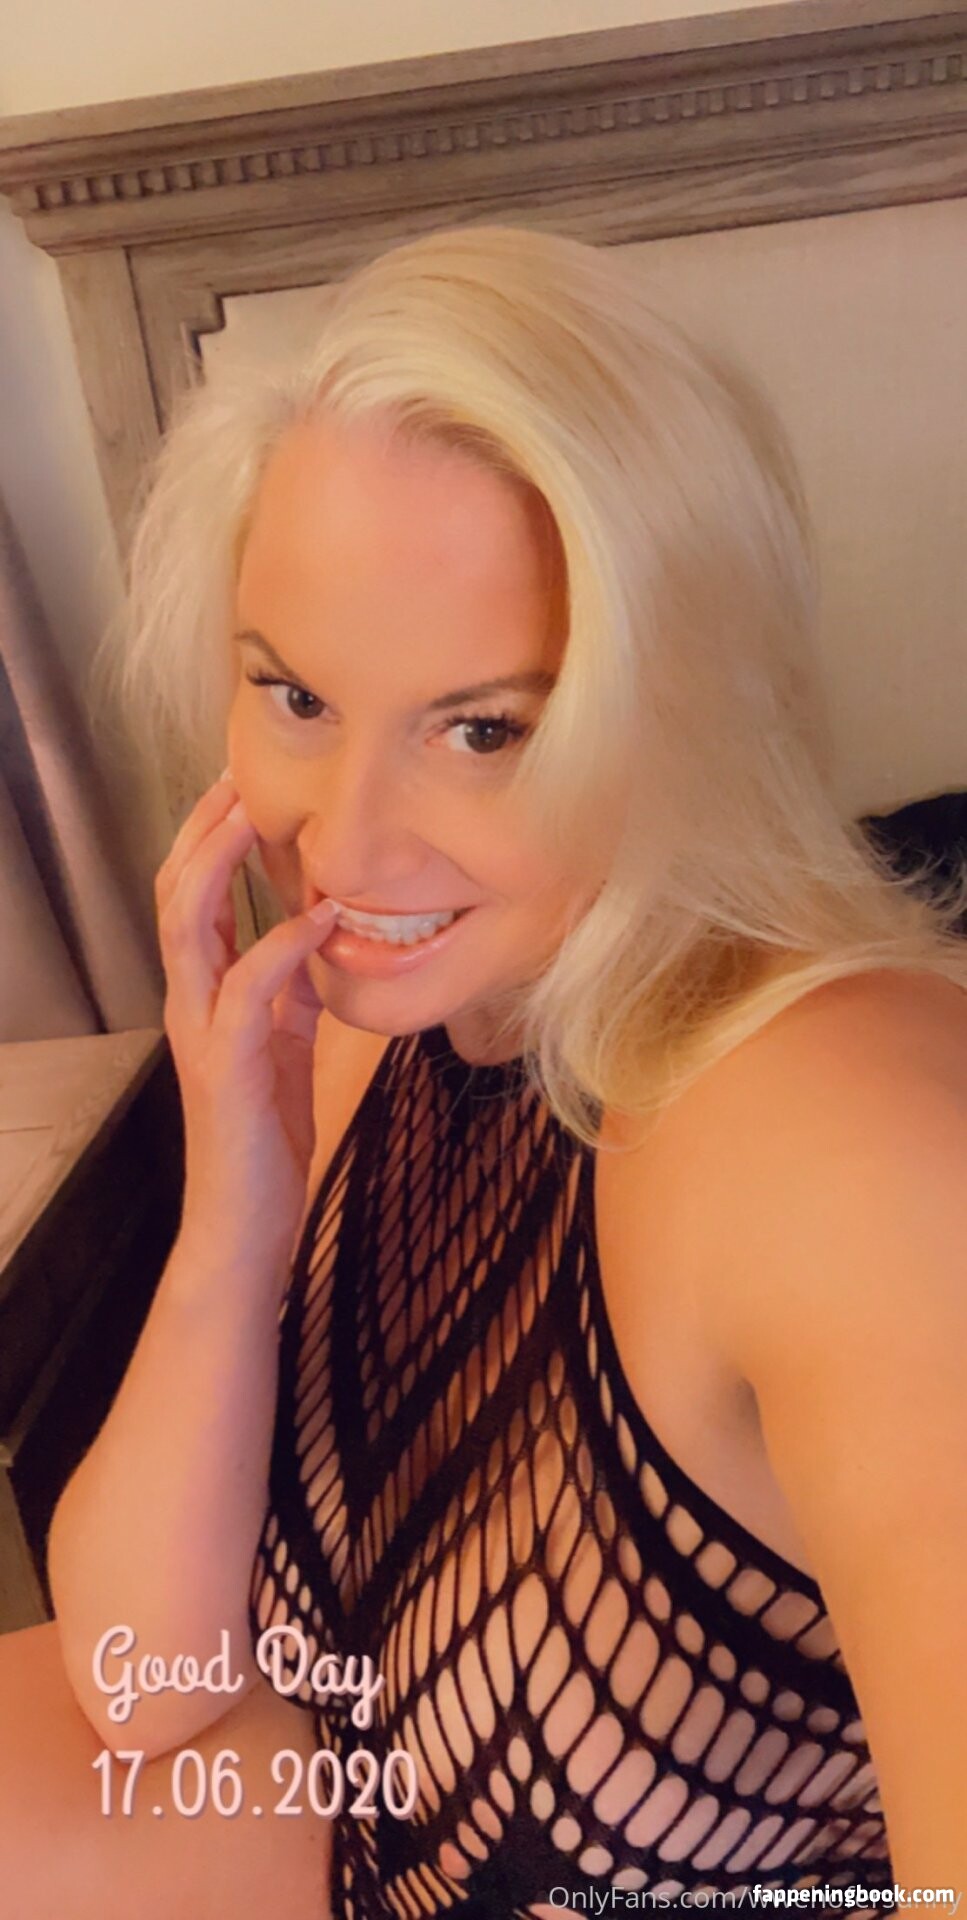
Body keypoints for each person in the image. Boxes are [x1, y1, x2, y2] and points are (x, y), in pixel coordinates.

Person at [6, 224, 966, 1918]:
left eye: (484, 729)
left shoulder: (847, 1145)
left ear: (681, 708)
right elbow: (148, 1682)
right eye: (296, 695)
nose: (344, 842)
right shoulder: (399, 1028)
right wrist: (234, 1210)